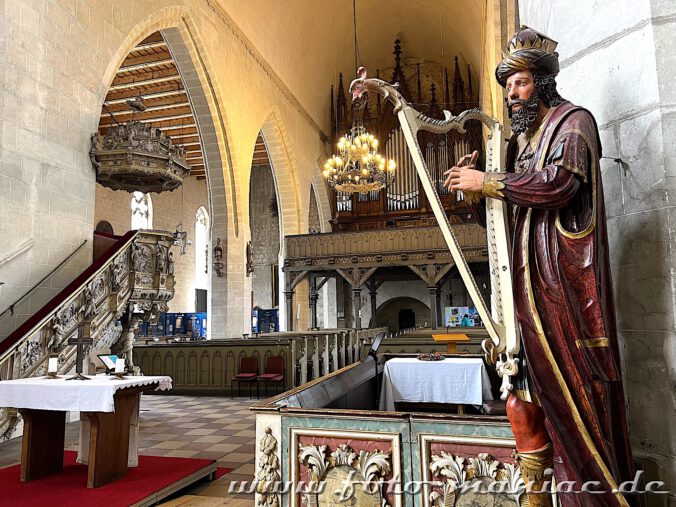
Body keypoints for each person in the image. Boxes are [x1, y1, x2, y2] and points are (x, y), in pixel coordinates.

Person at [445, 27, 636, 507]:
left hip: (565, 289)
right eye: (507, 86)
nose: (512, 94)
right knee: (534, 399)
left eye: (521, 82)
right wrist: (478, 190)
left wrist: (490, 180)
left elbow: (556, 187)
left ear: (544, 83)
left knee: (576, 398)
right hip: (530, 287)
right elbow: (511, 203)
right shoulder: (522, 144)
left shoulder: (574, 123)